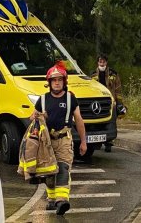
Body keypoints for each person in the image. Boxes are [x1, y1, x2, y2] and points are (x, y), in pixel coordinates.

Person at [30, 62, 87, 215]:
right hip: (46, 142)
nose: (56, 83)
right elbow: (32, 118)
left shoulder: (70, 99)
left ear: (64, 82)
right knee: (49, 171)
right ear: (49, 82)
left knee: (62, 168)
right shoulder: (42, 100)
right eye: (54, 80)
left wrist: (83, 142)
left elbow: (79, 121)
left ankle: (62, 200)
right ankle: (51, 199)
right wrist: (37, 117)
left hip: (63, 140)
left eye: (59, 80)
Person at [91, 54, 125, 152]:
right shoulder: (93, 74)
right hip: (97, 102)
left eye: (104, 62)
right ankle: (96, 142)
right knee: (97, 123)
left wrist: (119, 103)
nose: (102, 64)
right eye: (100, 62)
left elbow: (118, 89)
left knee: (110, 122)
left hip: (111, 102)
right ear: (97, 62)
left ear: (106, 62)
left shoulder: (113, 74)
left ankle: (108, 142)